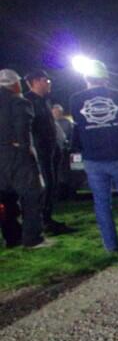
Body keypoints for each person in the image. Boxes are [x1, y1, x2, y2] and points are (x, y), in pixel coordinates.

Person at [69, 60, 118, 252]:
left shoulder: (76, 99)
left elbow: (77, 127)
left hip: (94, 158)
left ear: (86, 77)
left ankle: (111, 246)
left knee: (102, 203)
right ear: (105, 78)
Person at [0, 69, 49, 248]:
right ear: (14, 84)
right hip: (17, 157)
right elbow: (23, 133)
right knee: (32, 195)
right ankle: (33, 238)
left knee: (6, 199)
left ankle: (11, 237)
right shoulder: (19, 102)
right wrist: (24, 149)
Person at [24, 70, 70, 234]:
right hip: (40, 153)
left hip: (51, 151)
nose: (49, 83)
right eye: (46, 80)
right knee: (45, 186)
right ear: (36, 81)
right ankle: (41, 222)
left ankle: (47, 219)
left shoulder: (45, 101)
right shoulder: (28, 101)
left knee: (52, 185)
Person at [52, 104, 73, 200]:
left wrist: (69, 146)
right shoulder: (49, 122)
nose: (57, 114)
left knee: (64, 172)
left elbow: (70, 136)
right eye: (55, 112)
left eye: (59, 112)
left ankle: (64, 192)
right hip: (52, 152)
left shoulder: (66, 122)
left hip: (64, 151)